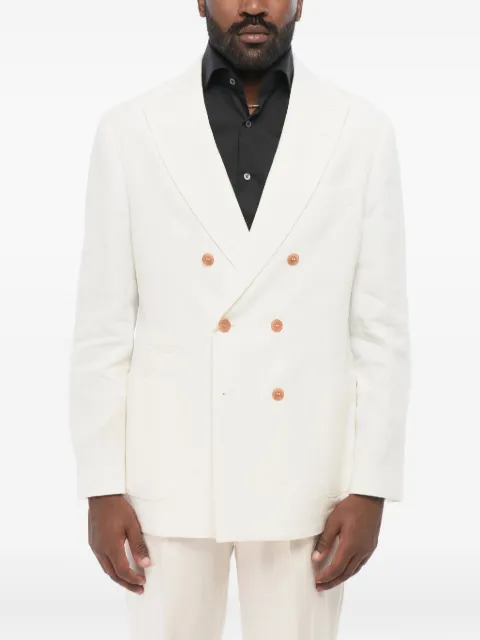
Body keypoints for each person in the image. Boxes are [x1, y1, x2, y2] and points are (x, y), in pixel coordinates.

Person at [68, 1, 411, 638]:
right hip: (166, 476)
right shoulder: (131, 130)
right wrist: (101, 486)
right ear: (199, 0)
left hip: (307, 478)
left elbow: (380, 331)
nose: (253, 5)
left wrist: (371, 487)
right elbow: (102, 328)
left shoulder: (360, 132)